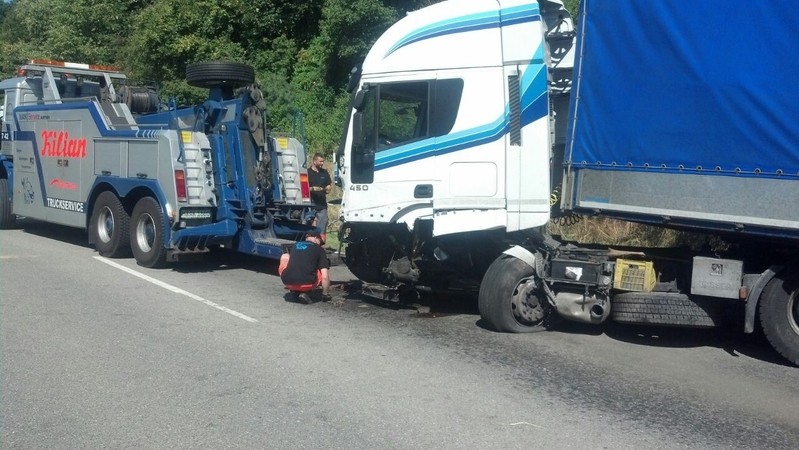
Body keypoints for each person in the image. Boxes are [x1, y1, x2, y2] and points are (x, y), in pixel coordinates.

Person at [279, 231, 331, 304]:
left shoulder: (295, 245)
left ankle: (295, 290)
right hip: (308, 284)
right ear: (316, 238)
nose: (320, 245)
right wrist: (325, 294)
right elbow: (325, 276)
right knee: (321, 269)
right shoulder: (319, 249)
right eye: (320, 242)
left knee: (285, 256)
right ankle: (306, 292)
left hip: (287, 281)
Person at [307, 152, 332, 238]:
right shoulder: (307, 173)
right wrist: (313, 189)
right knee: (309, 224)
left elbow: (329, 185)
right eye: (320, 161)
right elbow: (303, 188)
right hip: (310, 204)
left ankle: (320, 242)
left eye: (323, 161)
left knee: (323, 223)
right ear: (314, 161)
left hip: (322, 204)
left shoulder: (324, 172)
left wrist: (328, 188)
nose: (322, 163)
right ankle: (309, 240)